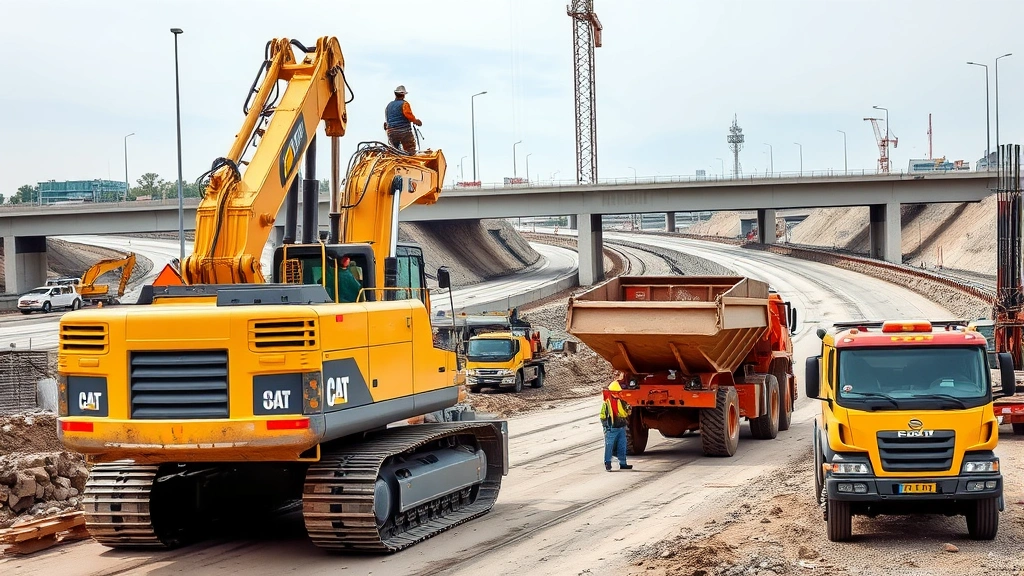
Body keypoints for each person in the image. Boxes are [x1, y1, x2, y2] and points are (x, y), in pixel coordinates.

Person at [599, 378, 634, 471]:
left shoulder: (621, 401)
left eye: (618, 392)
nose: (618, 394)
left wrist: (629, 409)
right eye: (616, 392)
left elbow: (625, 413)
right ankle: (608, 463)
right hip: (612, 428)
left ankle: (623, 463)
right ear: (612, 392)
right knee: (609, 446)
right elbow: (602, 415)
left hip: (621, 427)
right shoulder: (607, 403)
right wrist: (606, 426)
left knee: (622, 445)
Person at [383, 85, 422, 154]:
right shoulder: (404, 104)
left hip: (391, 132)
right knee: (410, 150)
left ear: (395, 94)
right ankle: (411, 158)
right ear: (403, 95)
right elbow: (408, 115)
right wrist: (416, 121)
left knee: (394, 151)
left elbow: (387, 118)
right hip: (404, 132)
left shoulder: (389, 105)